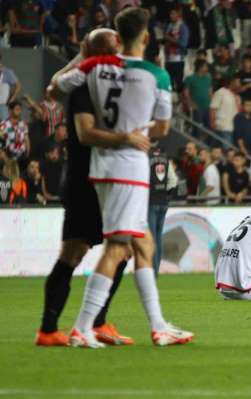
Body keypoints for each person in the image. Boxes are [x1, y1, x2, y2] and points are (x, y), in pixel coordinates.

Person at [54, 8, 193, 348]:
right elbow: (161, 128)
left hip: (102, 166)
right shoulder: (157, 76)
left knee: (143, 243)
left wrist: (82, 58)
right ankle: (82, 327)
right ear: (145, 37)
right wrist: (137, 128)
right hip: (129, 167)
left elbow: (56, 88)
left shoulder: (94, 67)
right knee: (118, 248)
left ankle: (159, 325)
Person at [37, 29, 140, 347]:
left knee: (111, 250)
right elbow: (73, 116)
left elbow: (52, 89)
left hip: (94, 177)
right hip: (91, 179)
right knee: (86, 251)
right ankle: (65, 326)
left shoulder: (85, 80)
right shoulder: (92, 83)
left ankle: (78, 324)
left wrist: (83, 54)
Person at [148, 144, 178, 277]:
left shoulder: (145, 159)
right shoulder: (166, 160)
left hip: (150, 201)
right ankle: (156, 270)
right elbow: (173, 181)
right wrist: (166, 194)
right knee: (158, 237)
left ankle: (152, 271)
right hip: (163, 202)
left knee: (151, 237)